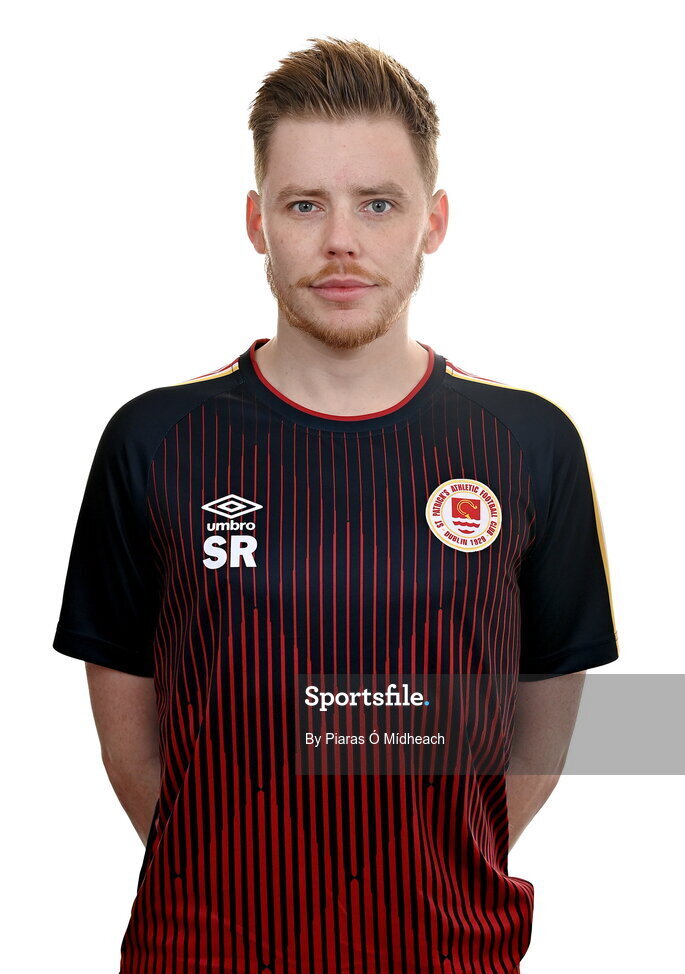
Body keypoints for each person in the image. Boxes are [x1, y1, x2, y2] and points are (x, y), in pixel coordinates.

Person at [53, 35, 619, 974]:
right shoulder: (152, 441)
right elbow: (130, 748)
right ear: (256, 221)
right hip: (201, 954)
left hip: (449, 954)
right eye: (305, 204)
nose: (341, 240)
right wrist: (233, 886)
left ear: (432, 221)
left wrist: (430, 875)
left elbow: (542, 736)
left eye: (378, 204)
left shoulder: (530, 445)